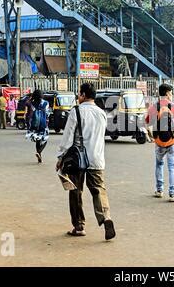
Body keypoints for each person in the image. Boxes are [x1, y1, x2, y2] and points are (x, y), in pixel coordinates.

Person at [56, 83, 116, 240]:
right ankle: (106, 217)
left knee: (75, 191)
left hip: (77, 160)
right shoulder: (101, 113)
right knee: (98, 190)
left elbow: (68, 137)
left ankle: (79, 226)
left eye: (79, 94)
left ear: (83, 95)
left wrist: (61, 157)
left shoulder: (76, 111)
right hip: (97, 158)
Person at [145, 83, 174, 203]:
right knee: (172, 167)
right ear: (167, 93)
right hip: (173, 141)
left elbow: (147, 124)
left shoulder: (153, 107)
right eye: (171, 93)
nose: (172, 95)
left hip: (159, 142)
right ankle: (173, 194)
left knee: (159, 164)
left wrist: (151, 137)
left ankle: (159, 190)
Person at [26, 89, 49, 163]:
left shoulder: (32, 103)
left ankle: (39, 156)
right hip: (43, 122)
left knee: (38, 140)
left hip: (35, 123)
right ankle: (39, 152)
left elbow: (27, 104)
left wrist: (31, 98)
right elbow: (47, 113)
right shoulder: (45, 103)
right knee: (45, 139)